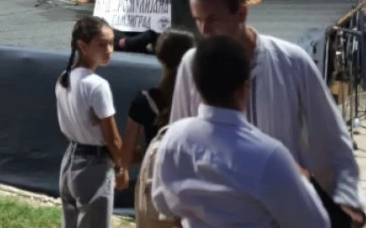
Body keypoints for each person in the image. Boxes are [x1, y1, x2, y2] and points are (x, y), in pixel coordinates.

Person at [169, 0, 366, 227]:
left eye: (214, 19)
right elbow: (179, 145)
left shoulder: (292, 61)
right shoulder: (191, 65)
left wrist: (347, 200)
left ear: (241, 13)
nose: (205, 31)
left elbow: (333, 141)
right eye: (198, 20)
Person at [152, 36, 329, 227]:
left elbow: (162, 203)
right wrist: (301, 179)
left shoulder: (174, 138)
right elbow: (315, 222)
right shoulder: (270, 155)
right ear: (245, 88)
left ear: (196, 83)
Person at [56, 16, 128, 228]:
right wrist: (121, 168)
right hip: (93, 166)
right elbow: (112, 138)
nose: (109, 50)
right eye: (102, 45)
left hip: (70, 162)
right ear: (83, 46)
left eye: (112, 43)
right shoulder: (97, 85)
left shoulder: (64, 78)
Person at [120, 28, 194, 171]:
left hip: (157, 178)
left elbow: (126, 159)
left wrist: (146, 151)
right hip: (193, 176)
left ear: (159, 56)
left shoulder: (144, 101)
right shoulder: (202, 99)